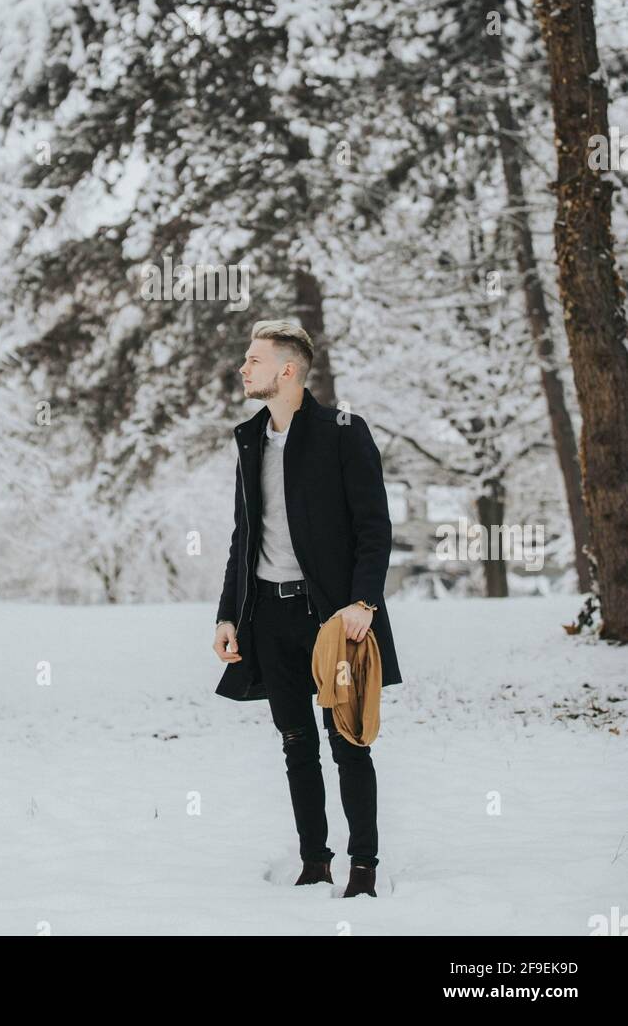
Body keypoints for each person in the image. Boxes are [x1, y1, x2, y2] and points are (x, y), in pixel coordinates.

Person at [213, 320, 402, 895]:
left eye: (254, 360)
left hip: (334, 618)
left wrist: (363, 601)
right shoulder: (250, 438)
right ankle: (314, 861)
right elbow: (243, 535)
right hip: (268, 617)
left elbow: (375, 528)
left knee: (348, 741)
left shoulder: (343, 433)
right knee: (297, 744)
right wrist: (227, 614)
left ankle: (363, 867)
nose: (243, 369)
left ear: (287, 370)